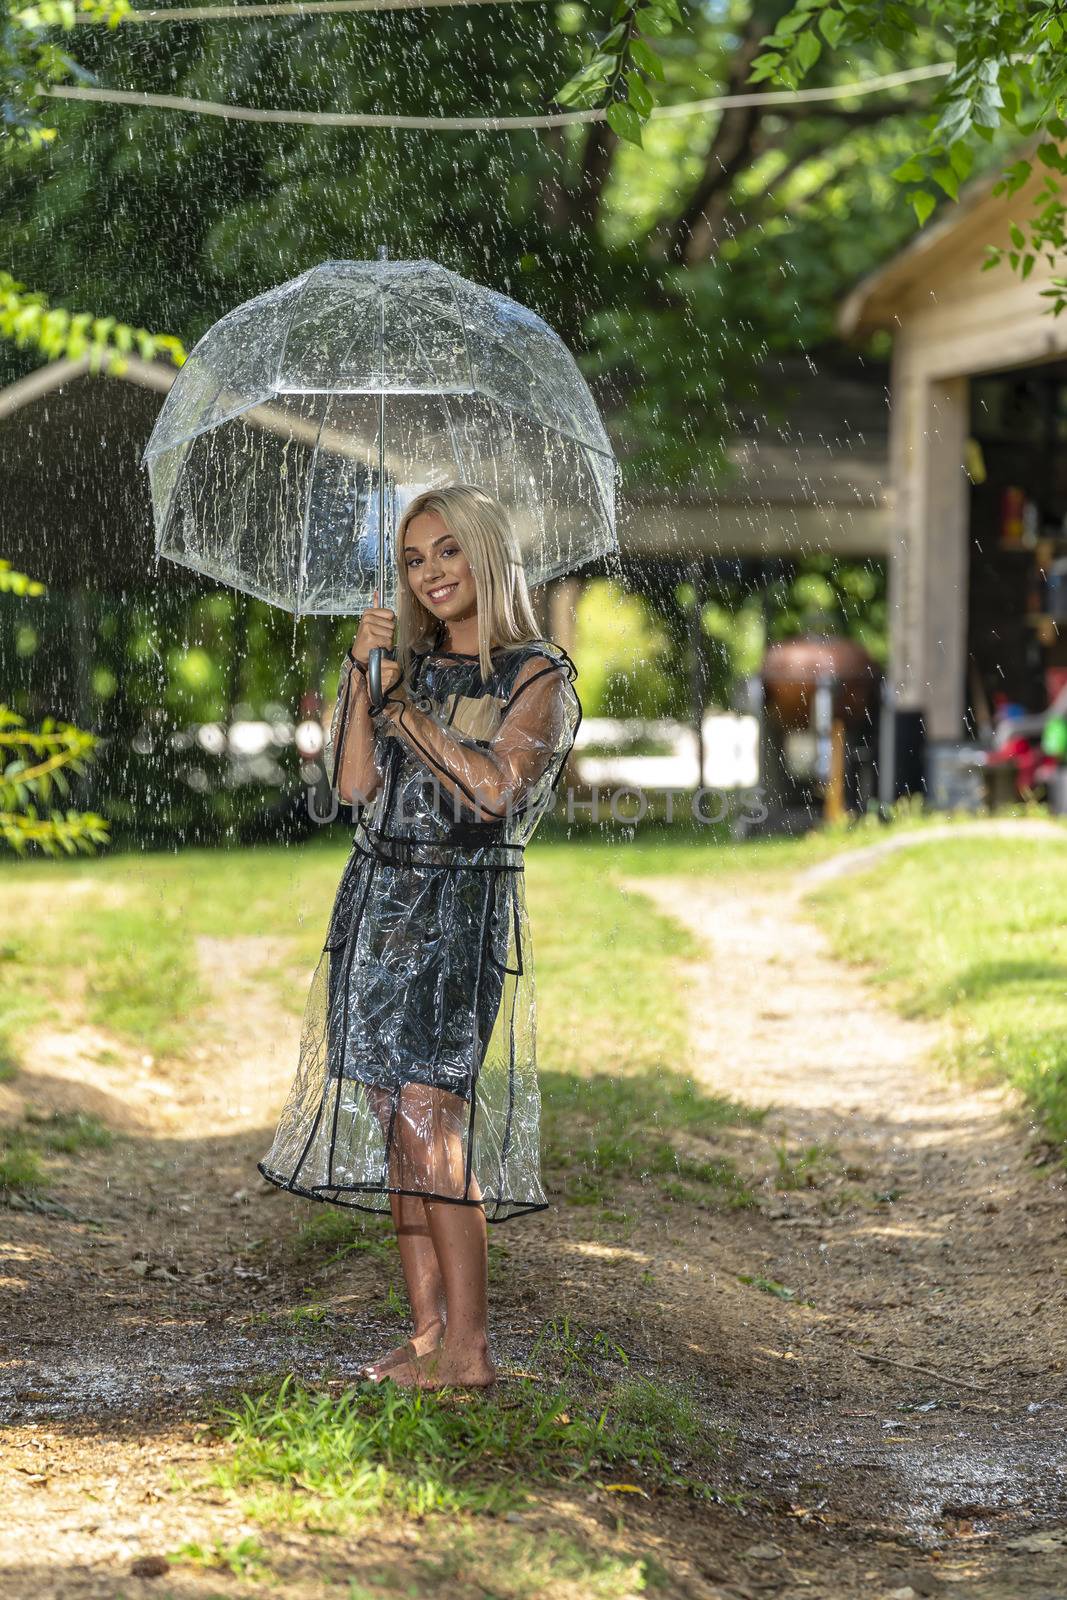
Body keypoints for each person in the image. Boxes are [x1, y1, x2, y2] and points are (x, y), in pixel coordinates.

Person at [258, 483, 581, 1390]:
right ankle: (429, 1335)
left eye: (445, 551)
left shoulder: (534, 673)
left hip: (456, 909)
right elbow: (355, 787)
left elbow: (493, 791)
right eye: (412, 560)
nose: (429, 572)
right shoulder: (398, 663)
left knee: (430, 1117)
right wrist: (364, 681)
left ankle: (472, 1348)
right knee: (393, 1125)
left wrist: (406, 710)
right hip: (376, 898)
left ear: (483, 554)